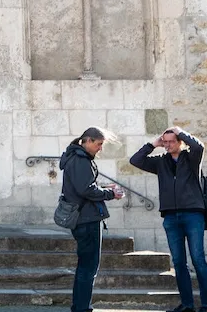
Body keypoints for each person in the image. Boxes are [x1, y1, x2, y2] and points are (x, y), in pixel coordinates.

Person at [129, 127, 207, 312]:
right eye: (164, 142)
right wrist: (152, 144)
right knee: (178, 262)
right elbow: (135, 160)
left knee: (198, 259)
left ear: (180, 142)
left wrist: (180, 131)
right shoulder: (160, 162)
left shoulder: (191, 158)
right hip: (170, 217)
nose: (167, 145)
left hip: (193, 215)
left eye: (171, 141)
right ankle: (187, 305)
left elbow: (198, 147)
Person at [60, 127, 125, 312]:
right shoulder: (80, 160)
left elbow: (84, 185)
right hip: (86, 219)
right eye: (99, 144)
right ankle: (82, 308)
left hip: (84, 218)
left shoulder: (77, 158)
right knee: (88, 268)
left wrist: (103, 187)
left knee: (85, 267)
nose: (100, 149)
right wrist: (111, 193)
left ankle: (80, 306)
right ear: (87, 141)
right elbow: (86, 190)